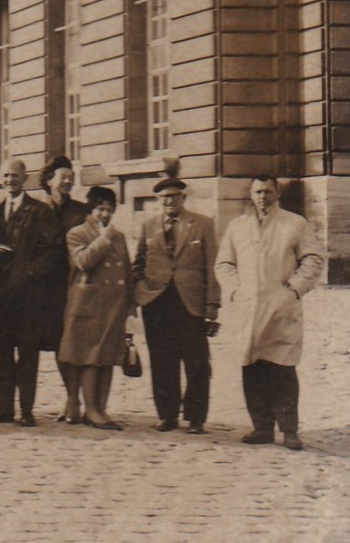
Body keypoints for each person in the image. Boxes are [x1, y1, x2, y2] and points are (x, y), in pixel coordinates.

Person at [215, 175, 325, 451]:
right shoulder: (238, 227)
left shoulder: (294, 224)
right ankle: (261, 427)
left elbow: (313, 258)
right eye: (258, 192)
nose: (263, 197)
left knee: (282, 370)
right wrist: (235, 290)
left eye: (268, 191)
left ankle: (289, 430)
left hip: (280, 308)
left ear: (277, 194)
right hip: (248, 309)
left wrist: (294, 289)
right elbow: (224, 264)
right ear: (251, 195)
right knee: (252, 369)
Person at [0, 158, 65, 426]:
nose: (10, 181)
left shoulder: (40, 211)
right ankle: (1, 408)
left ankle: (25, 409)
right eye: (6, 176)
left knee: (27, 352)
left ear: (25, 179)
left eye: (15, 176)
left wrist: (30, 273)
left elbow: (53, 248)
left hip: (28, 295)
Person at [132, 177, 220, 434]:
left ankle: (195, 418)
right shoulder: (148, 226)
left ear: (183, 198)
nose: (169, 201)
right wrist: (141, 290)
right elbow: (138, 263)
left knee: (197, 362)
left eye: (174, 196)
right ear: (158, 200)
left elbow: (212, 267)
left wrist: (212, 304)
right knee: (161, 361)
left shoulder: (202, 225)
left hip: (189, 303)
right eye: (164, 197)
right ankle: (167, 415)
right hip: (157, 303)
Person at [57, 186, 135, 430]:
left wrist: (131, 307)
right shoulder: (77, 233)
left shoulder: (119, 236)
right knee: (90, 358)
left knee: (108, 357)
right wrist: (103, 239)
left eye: (109, 209)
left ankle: (101, 408)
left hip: (114, 304)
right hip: (87, 305)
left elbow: (127, 271)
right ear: (90, 210)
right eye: (100, 209)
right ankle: (91, 409)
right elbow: (83, 261)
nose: (104, 214)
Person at [40, 156, 88, 424]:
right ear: (49, 180)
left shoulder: (81, 211)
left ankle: (74, 399)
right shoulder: (36, 209)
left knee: (73, 343)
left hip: (74, 285)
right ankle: (72, 397)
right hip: (45, 289)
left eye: (71, 177)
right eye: (62, 177)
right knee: (58, 344)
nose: (68, 181)